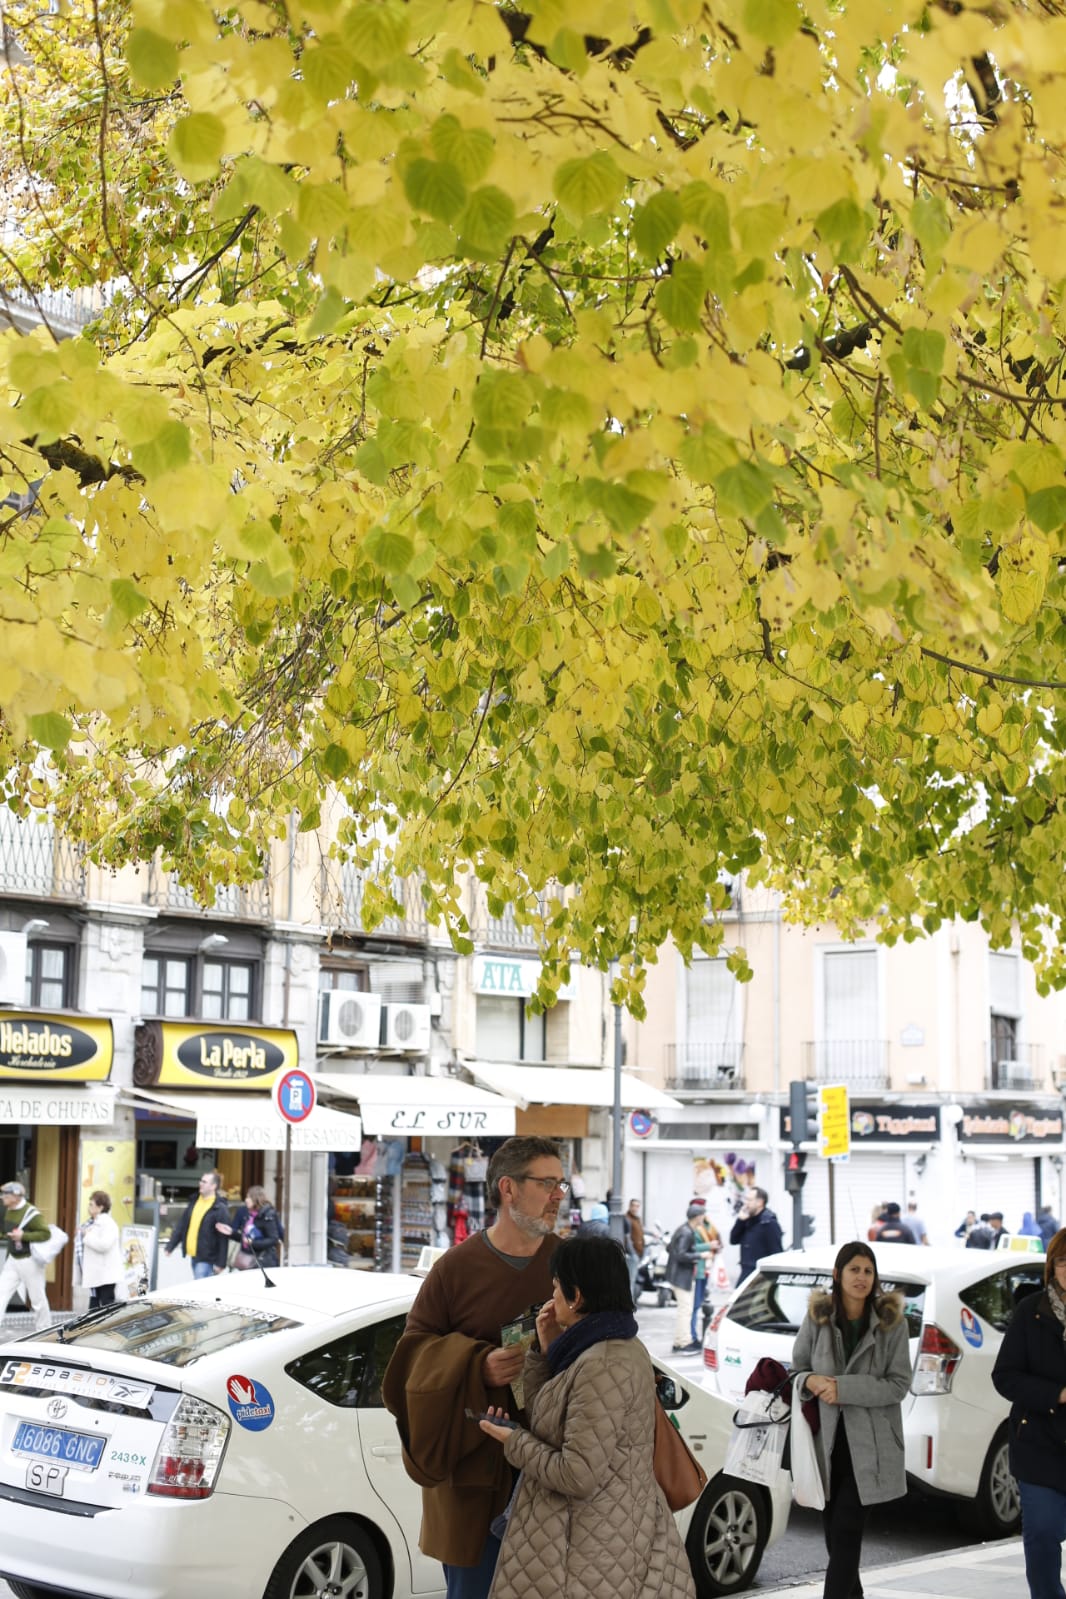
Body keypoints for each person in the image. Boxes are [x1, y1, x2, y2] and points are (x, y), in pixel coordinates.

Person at [381, 1136, 564, 1599]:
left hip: (553, 1465)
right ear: (508, 1188)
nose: (559, 1195)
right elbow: (408, 1361)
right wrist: (475, 1366)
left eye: (561, 1184)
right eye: (547, 1183)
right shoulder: (455, 1268)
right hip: (472, 1471)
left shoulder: (568, 1262)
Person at [477, 1235, 695, 1599]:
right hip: (594, 1542)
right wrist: (545, 1354)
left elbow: (576, 1473)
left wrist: (513, 1441)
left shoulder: (603, 1363)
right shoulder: (595, 1349)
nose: (552, 1297)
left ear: (577, 1296)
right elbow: (550, 1419)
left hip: (590, 1552)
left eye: (557, 1287)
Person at [792, 1241, 911, 1599]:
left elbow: (898, 1385)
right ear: (837, 1274)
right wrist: (810, 1381)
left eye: (868, 1271)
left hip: (870, 1449)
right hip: (825, 1448)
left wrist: (843, 1389)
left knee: (845, 1534)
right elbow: (797, 1370)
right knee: (837, 1541)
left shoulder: (892, 1324)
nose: (861, 1277)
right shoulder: (818, 1318)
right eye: (854, 1269)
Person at [992, 1226, 1066, 1599]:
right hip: (1038, 1442)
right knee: (1042, 1535)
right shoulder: (1030, 1311)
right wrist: (1057, 1394)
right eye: (1064, 1261)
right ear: (1052, 1268)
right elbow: (1004, 1376)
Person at [0, 1180, 52, 1330]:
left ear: (16, 1196)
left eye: (5, 1194)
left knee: (37, 1299)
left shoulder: (32, 1213)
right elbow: (5, 1232)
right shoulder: (8, 1209)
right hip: (13, 1260)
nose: (2, 1197)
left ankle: (44, 1330)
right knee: (1, 1292)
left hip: (29, 1261)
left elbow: (45, 1233)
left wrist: (23, 1236)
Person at [163, 1170, 230, 1278]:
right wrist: (171, 1245)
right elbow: (182, 1225)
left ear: (213, 1186)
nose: (200, 1183)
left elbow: (223, 1238)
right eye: (200, 1181)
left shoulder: (219, 1208)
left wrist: (221, 1263)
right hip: (194, 1256)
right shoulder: (195, 1201)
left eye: (204, 1182)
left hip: (207, 1259)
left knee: (201, 1291)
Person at [665, 1201, 704, 1352]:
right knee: (685, 1309)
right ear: (697, 1217)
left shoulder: (684, 1229)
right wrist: (700, 1255)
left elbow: (670, 1248)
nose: (703, 1218)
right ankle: (683, 1342)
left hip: (680, 1275)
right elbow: (680, 1254)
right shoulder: (686, 1232)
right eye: (702, 1215)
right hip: (681, 1276)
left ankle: (680, 1340)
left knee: (685, 1308)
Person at [217, 1184, 282, 1268]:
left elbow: (273, 1239)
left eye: (249, 1198)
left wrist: (253, 1243)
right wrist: (231, 1232)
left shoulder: (267, 1215)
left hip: (263, 1262)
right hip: (247, 1260)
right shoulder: (248, 1215)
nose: (246, 1200)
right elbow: (245, 1238)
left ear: (256, 1199)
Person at [730, 1187, 784, 1284]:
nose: (746, 1203)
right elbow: (733, 1240)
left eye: (749, 1200)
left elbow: (776, 1252)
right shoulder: (747, 1219)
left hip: (760, 1275)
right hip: (746, 1270)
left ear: (760, 1202)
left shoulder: (768, 1223)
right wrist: (740, 1221)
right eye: (745, 1199)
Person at [79, 1190, 123, 1309]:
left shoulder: (107, 1223)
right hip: (98, 1275)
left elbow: (104, 1245)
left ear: (100, 1207)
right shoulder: (94, 1223)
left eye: (91, 1205)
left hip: (105, 1275)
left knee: (105, 1307)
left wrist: (87, 1236)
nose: (89, 1207)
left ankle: (107, 1328)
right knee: (95, 1307)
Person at [690, 1211, 722, 1344]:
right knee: (694, 1305)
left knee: (699, 1303)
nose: (703, 1216)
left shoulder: (710, 1227)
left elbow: (719, 1241)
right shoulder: (693, 1229)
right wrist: (709, 1246)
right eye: (701, 1213)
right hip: (698, 1270)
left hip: (707, 1269)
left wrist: (717, 1246)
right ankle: (692, 1335)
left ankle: (694, 1335)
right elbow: (692, 1248)